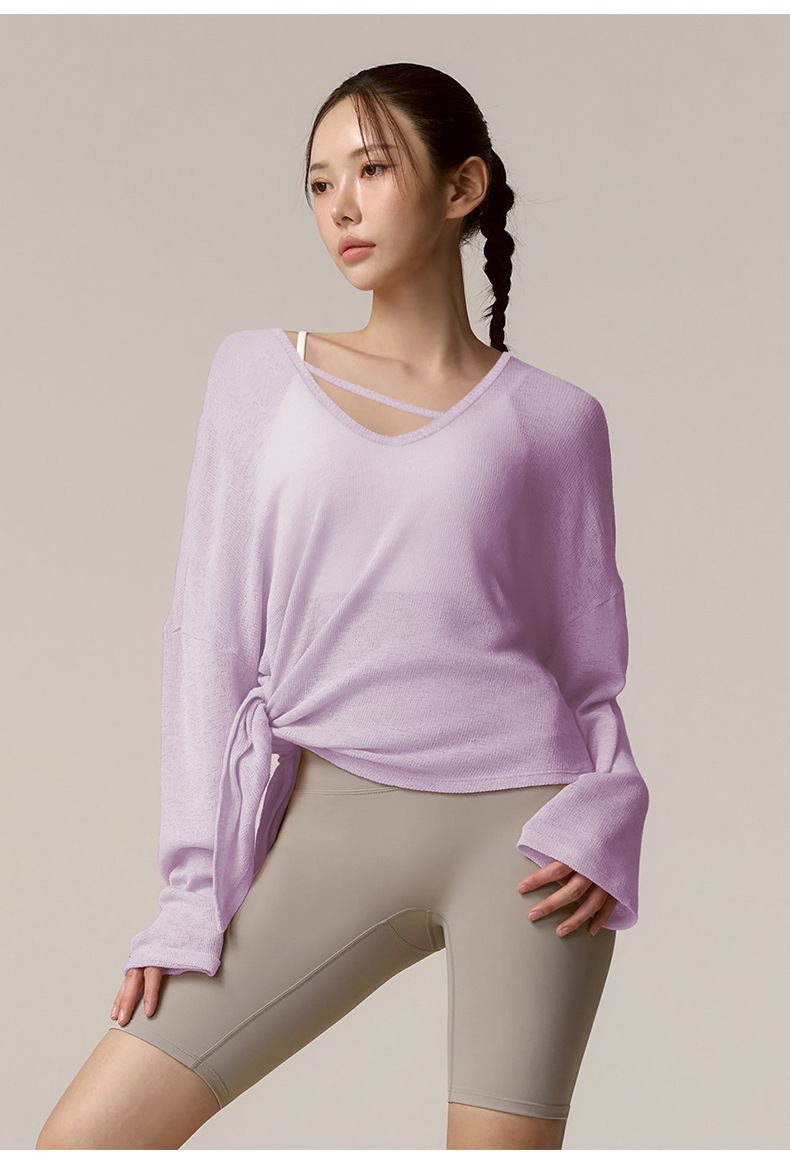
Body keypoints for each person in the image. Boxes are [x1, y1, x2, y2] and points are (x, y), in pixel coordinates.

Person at [36, 62, 649, 1152]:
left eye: (371, 169)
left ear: (463, 187)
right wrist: (190, 895)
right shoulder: (259, 375)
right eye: (320, 183)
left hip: (525, 839)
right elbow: (208, 637)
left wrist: (605, 817)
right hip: (332, 818)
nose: (341, 207)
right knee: (87, 1140)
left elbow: (588, 666)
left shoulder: (558, 421)